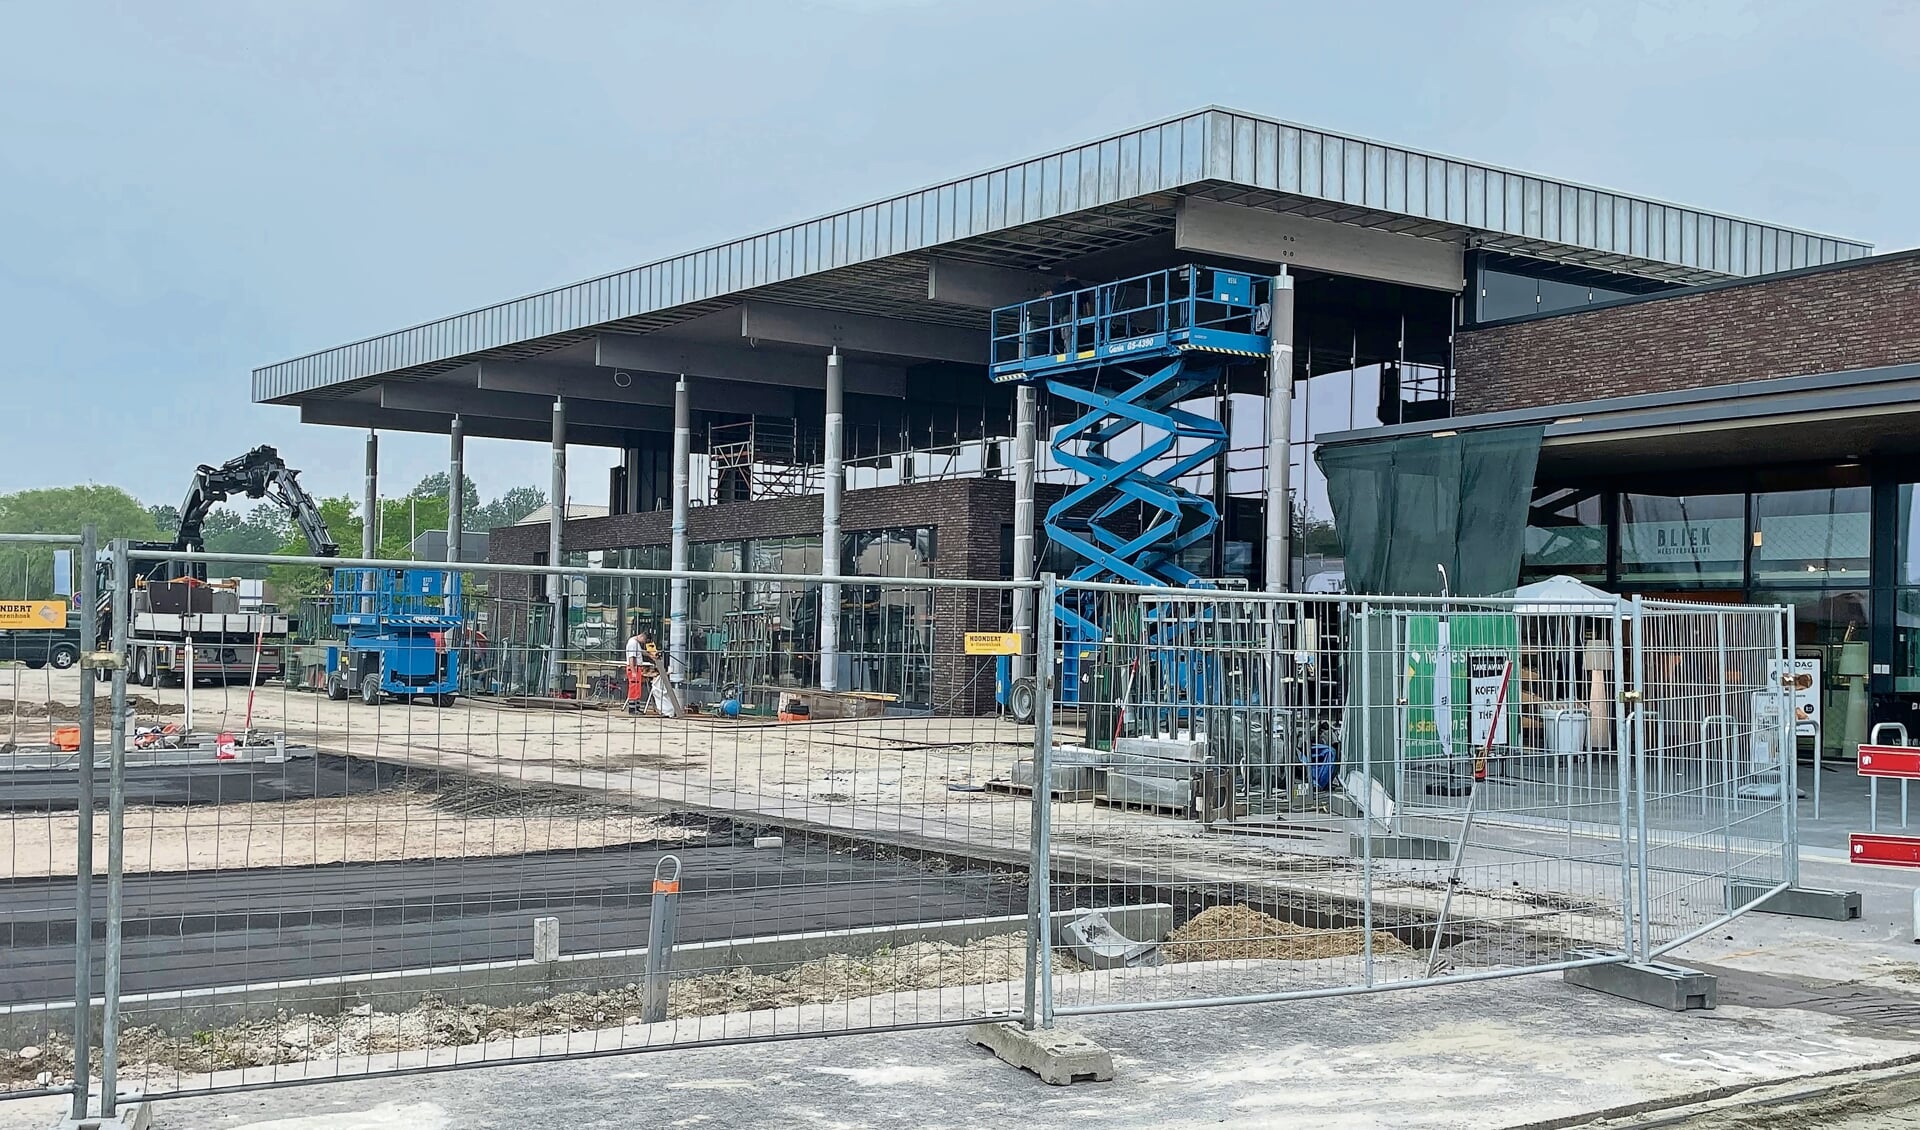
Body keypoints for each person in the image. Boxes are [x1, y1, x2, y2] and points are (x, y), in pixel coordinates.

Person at [625, 627, 653, 715]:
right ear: (643, 637)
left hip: (636, 668)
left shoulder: (635, 642)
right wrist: (633, 671)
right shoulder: (633, 643)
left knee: (637, 688)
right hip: (634, 668)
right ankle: (632, 709)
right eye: (645, 641)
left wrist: (651, 655)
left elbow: (641, 652)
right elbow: (631, 658)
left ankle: (636, 707)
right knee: (633, 688)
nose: (644, 643)